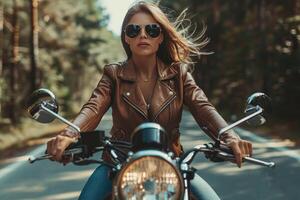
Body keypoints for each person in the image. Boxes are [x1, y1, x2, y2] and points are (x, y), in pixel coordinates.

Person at [46, 1, 253, 199]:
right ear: (126, 37)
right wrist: (69, 134)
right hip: (118, 164)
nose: (143, 35)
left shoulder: (179, 74)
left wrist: (230, 137)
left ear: (160, 36)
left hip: (170, 165)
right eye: (134, 30)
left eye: (151, 30)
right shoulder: (113, 74)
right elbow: (93, 107)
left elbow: (203, 107)